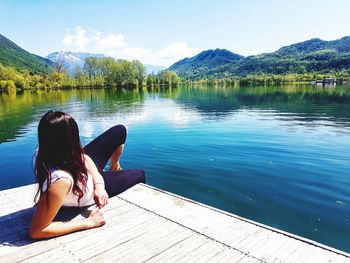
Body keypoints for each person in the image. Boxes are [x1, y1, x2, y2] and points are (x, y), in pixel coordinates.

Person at [29, 110, 145, 239]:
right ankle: (111, 176)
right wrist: (88, 222)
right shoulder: (61, 180)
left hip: (89, 177)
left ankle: (114, 168)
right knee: (140, 174)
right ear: (70, 140)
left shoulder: (42, 152)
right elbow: (37, 231)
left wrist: (99, 185)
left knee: (120, 130)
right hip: (87, 188)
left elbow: (84, 157)